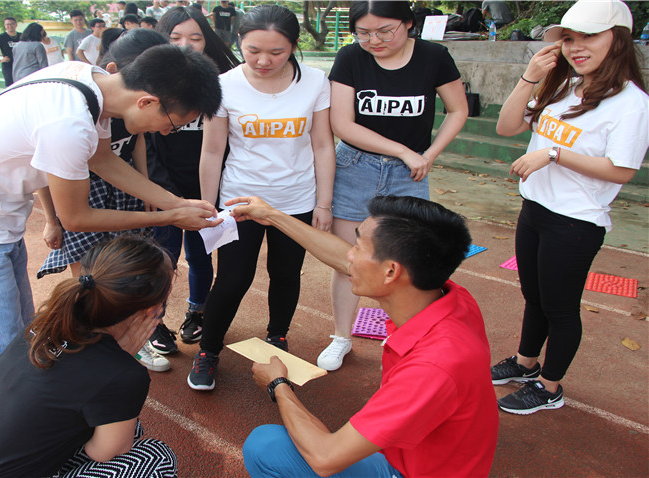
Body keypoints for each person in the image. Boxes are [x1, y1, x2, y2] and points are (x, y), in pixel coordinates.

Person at [0, 45, 224, 384]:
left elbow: (103, 160)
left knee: (21, 343)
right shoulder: (70, 123)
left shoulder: (90, 82)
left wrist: (175, 202)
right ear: (147, 102)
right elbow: (77, 218)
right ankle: (5, 433)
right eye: (173, 124)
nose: (167, 132)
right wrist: (168, 218)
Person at [231, 195, 498, 478]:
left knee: (266, 447)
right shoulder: (446, 298)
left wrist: (278, 385)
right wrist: (272, 215)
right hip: (425, 455)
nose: (349, 255)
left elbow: (325, 457)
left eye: (357, 248)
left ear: (391, 271)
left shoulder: (433, 367)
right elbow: (341, 258)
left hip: (409, 471)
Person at [491, 0, 647, 415]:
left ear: (619, 39)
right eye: (570, 38)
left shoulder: (631, 103)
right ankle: (525, 364)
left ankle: (549, 386)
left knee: (560, 307)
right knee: (534, 296)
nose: (576, 47)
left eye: (589, 36)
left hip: (576, 221)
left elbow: (622, 170)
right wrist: (530, 78)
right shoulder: (563, 85)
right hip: (536, 208)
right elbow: (506, 127)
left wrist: (554, 154)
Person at [0, 236, 178, 478]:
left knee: (122, 424)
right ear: (152, 310)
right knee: (155, 457)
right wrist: (122, 362)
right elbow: (104, 453)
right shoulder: (124, 373)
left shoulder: (46, 323)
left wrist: (118, 359)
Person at [189, 5, 335, 391]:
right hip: (240, 203)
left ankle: (278, 338)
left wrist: (324, 202)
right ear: (239, 41)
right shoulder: (222, 84)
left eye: (277, 52)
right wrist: (210, 208)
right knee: (233, 279)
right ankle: (208, 350)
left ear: (293, 47)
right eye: (253, 50)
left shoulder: (317, 81)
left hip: (297, 200)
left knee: (286, 275)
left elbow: (322, 145)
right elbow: (212, 150)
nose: (264, 60)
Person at [320, 0, 468, 372]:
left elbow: (458, 109)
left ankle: (407, 334)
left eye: (385, 31)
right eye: (364, 32)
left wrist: (429, 153)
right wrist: (403, 150)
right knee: (348, 260)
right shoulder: (350, 58)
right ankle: (341, 336)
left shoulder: (434, 56)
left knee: (410, 261)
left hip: (411, 173)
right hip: (355, 166)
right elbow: (343, 123)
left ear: (408, 24)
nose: (374, 40)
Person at [38, 28, 170, 373]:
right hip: (83, 193)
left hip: (122, 187)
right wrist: (51, 219)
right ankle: (83, 342)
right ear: (115, 71)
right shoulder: (74, 116)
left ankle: (128, 342)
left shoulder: (125, 109)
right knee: (89, 275)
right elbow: (46, 180)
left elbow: (125, 149)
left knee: (126, 269)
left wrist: (150, 193)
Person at [143, 6, 240, 363]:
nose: (186, 45)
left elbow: (226, 145)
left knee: (201, 256)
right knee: (162, 259)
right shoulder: (150, 83)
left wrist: (208, 194)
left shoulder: (223, 83)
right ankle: (154, 321)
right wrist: (167, 197)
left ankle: (196, 313)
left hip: (207, 191)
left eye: (195, 38)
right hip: (165, 194)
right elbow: (148, 147)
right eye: (176, 38)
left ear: (208, 40)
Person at [0, 17, 20, 87]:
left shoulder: (22, 36)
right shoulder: (1, 37)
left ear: (16, 25)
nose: (10, 26)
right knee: (10, 86)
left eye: (12, 24)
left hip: (20, 64)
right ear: (5, 26)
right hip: (8, 65)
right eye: (7, 24)